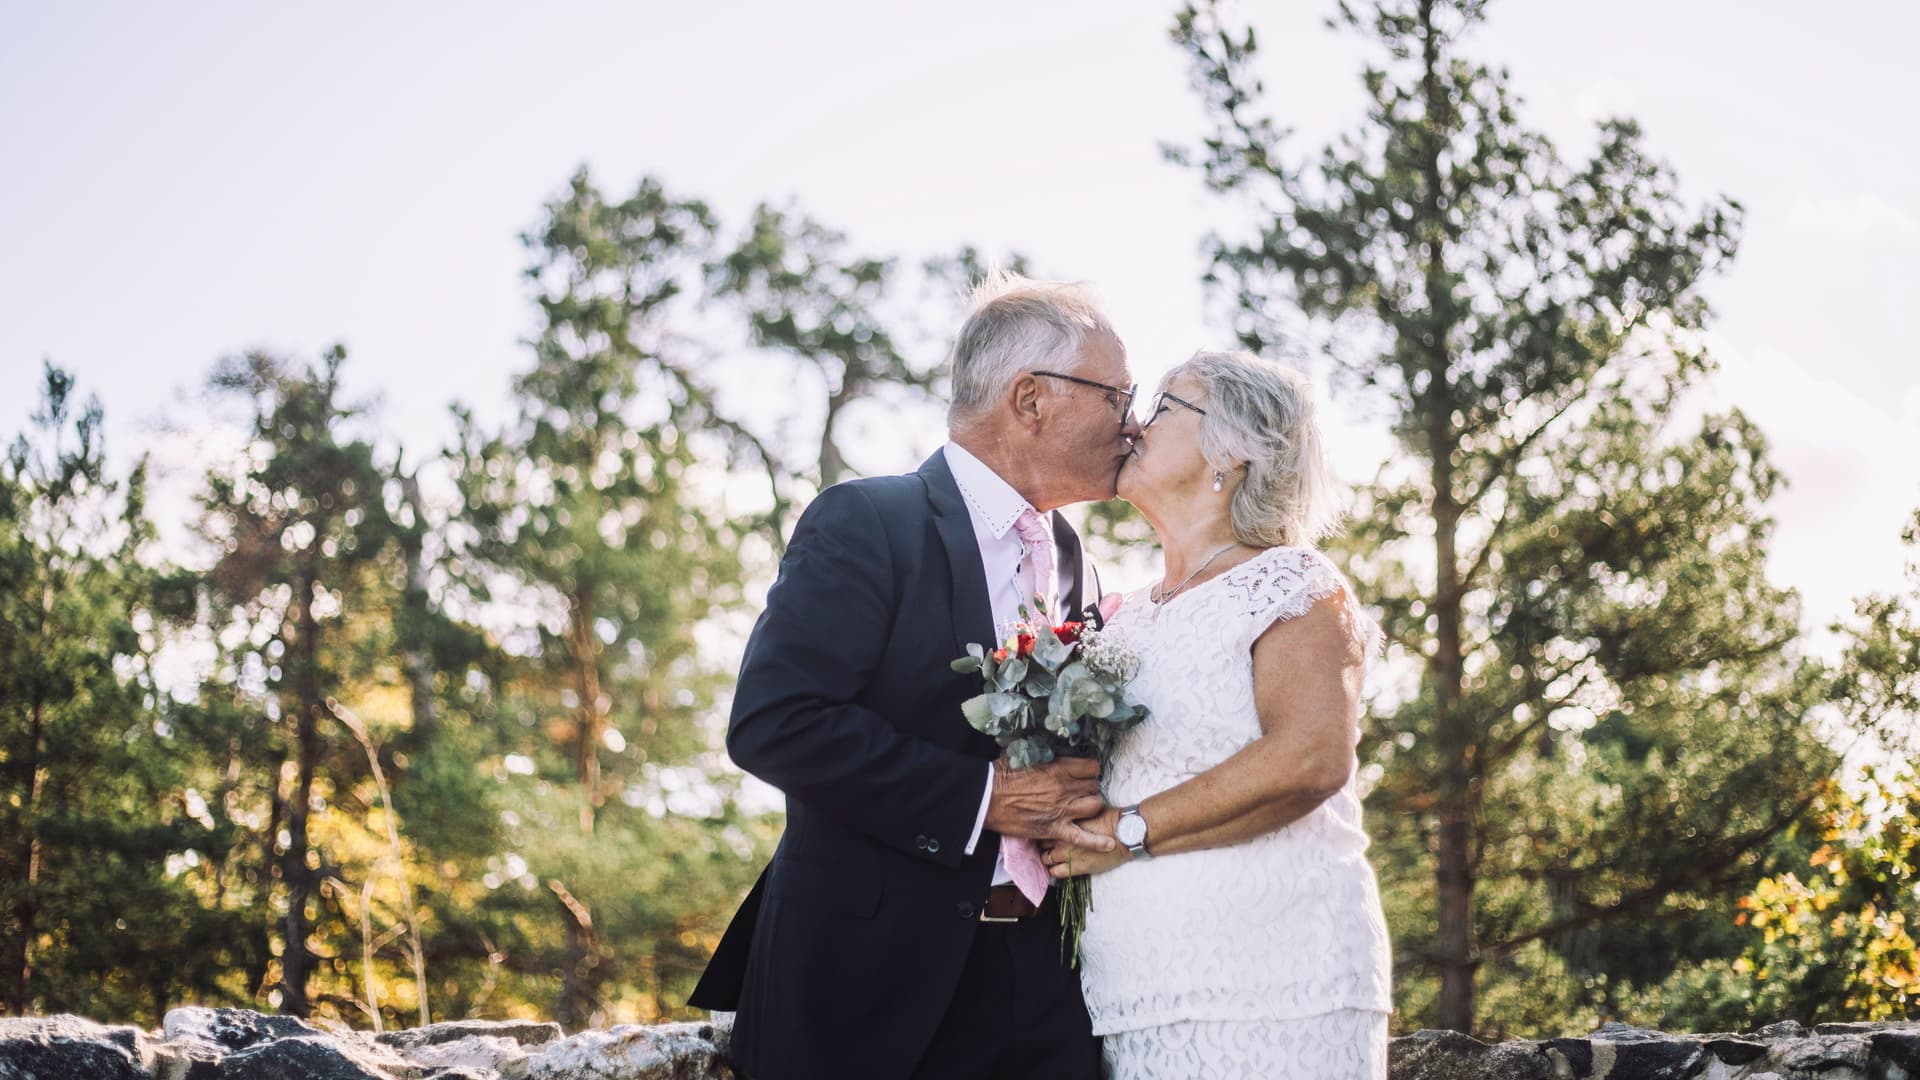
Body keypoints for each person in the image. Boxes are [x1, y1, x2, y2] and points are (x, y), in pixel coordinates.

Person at [690, 273, 1144, 1079]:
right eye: (1117, 394)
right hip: (867, 985)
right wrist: (985, 800)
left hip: (1045, 986)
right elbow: (775, 720)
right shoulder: (868, 521)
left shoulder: (1074, 556)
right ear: (1031, 399)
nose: (1134, 423)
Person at [1040, 349, 1394, 1078]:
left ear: (1230, 452)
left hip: (1279, 982)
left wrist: (1128, 830)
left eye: (1166, 406)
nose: (1134, 422)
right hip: (1134, 990)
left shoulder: (1292, 582)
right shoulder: (1120, 618)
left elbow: (1310, 758)